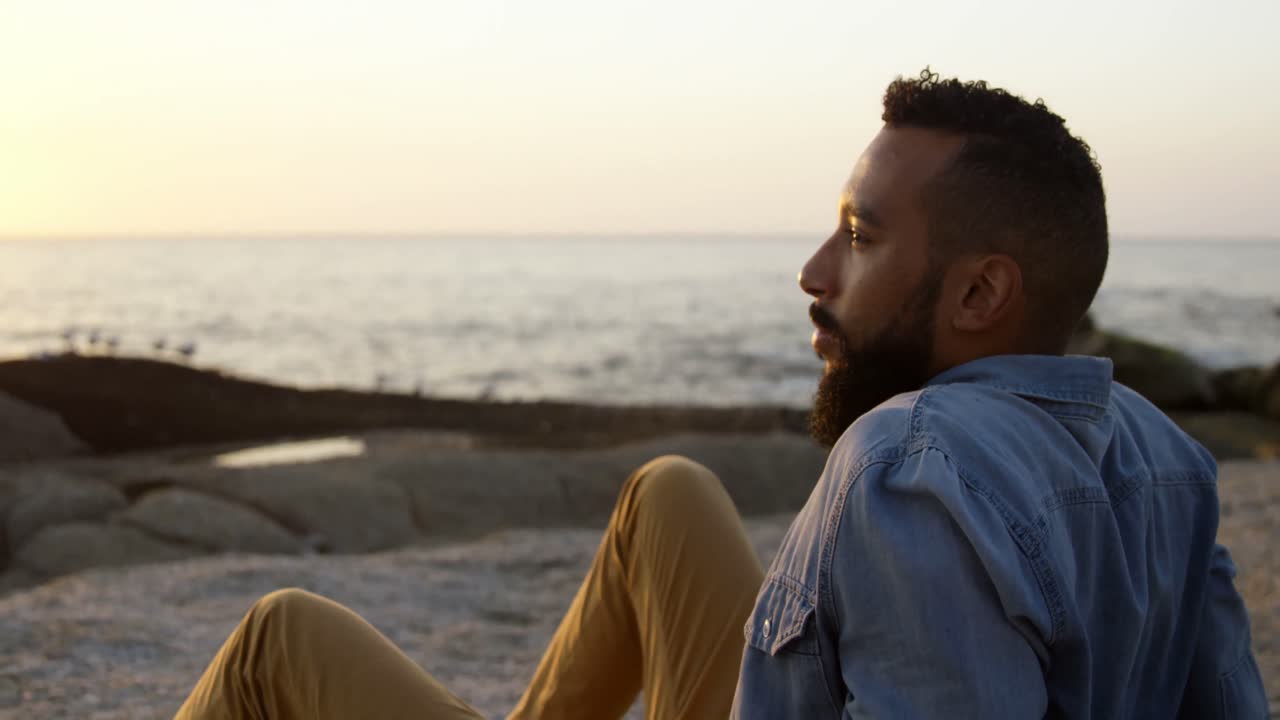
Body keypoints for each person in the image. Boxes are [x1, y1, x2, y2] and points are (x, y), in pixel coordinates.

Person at [175, 69, 1268, 719]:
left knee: (281, 637)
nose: (813, 272)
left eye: (860, 237)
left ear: (980, 292)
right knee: (668, 491)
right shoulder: (1166, 458)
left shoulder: (907, 461)